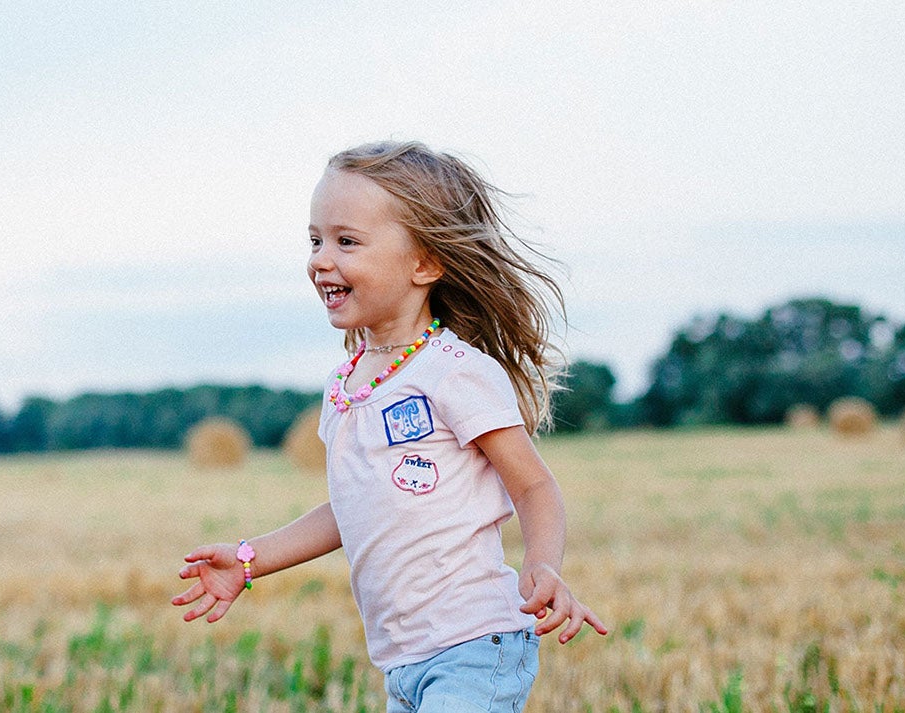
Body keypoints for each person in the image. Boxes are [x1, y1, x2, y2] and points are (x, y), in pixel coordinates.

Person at [172, 140, 607, 711]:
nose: (321, 259)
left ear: (424, 263)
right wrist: (251, 559)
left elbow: (532, 485)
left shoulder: (455, 373)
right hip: (402, 661)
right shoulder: (346, 385)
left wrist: (542, 563)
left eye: (346, 241)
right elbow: (350, 506)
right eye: (315, 240)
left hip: (476, 644)